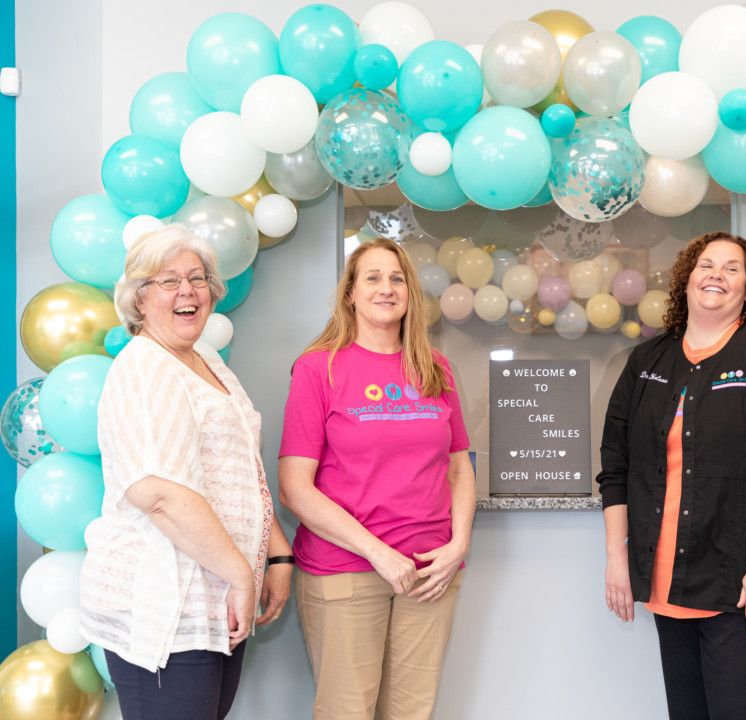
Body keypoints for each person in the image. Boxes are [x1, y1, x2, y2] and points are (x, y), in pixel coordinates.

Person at [598, 232, 746, 720]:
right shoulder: (647, 362)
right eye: (706, 264)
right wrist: (618, 557)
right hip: (666, 584)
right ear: (686, 279)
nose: (716, 274)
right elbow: (616, 464)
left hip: (745, 585)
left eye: (732, 268)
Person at [80, 225, 293, 720]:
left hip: (215, 600)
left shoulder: (209, 361)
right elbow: (160, 495)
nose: (187, 291)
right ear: (139, 299)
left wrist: (275, 556)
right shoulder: (144, 368)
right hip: (165, 605)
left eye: (197, 278)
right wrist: (242, 572)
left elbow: (241, 475)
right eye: (168, 280)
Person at [279, 238, 475, 720]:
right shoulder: (318, 368)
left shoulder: (435, 368)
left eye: (397, 278)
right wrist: (378, 553)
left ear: (410, 293)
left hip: (431, 572)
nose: (386, 288)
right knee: (347, 712)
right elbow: (294, 486)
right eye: (372, 277)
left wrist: (460, 544)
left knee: (411, 713)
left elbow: (459, 466)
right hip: (346, 571)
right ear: (350, 293)